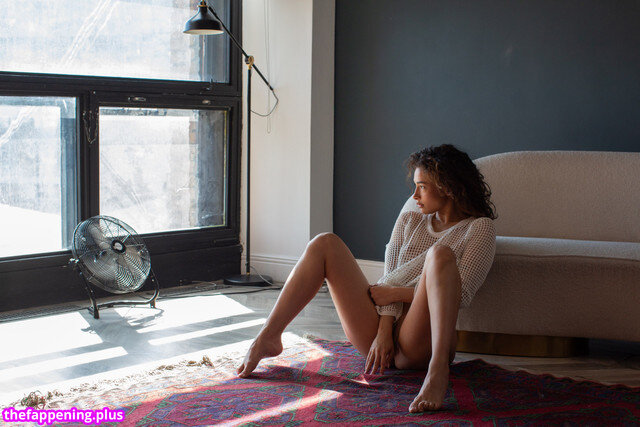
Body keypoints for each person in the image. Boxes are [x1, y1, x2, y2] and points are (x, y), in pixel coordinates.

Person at [236, 144, 497, 413]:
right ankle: (268, 336)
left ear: (448, 188)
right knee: (324, 242)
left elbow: (461, 295)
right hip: (379, 330)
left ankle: (438, 370)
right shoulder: (409, 220)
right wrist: (383, 332)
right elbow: (387, 281)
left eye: (422, 187)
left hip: (420, 342)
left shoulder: (479, 228)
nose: (415, 195)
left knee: (439, 254)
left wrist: (396, 294)